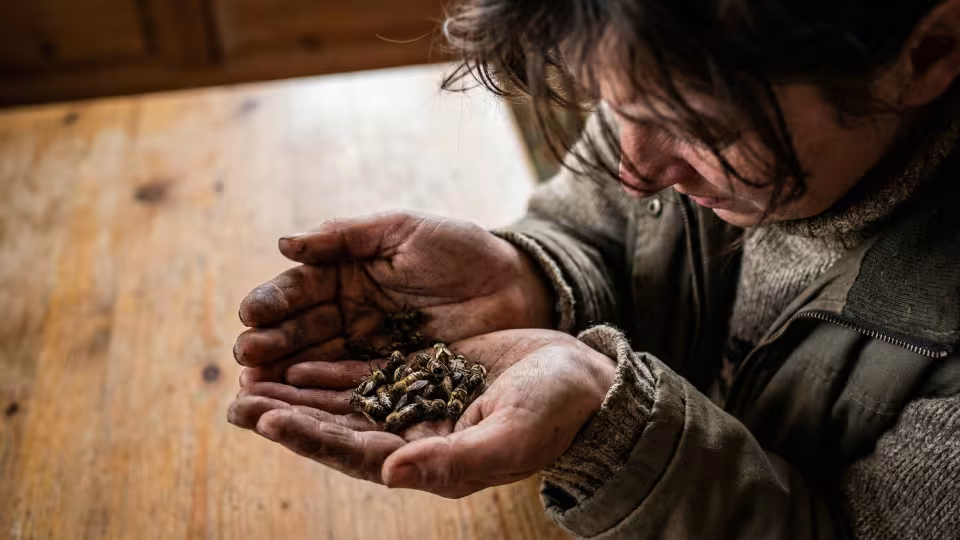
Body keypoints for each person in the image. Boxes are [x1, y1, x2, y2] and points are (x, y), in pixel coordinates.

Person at [227, 0, 960, 537]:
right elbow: (605, 231)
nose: (632, 166)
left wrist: (611, 428)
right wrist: (529, 280)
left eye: (698, 125)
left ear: (927, 55)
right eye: (608, 104)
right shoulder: (661, 58)